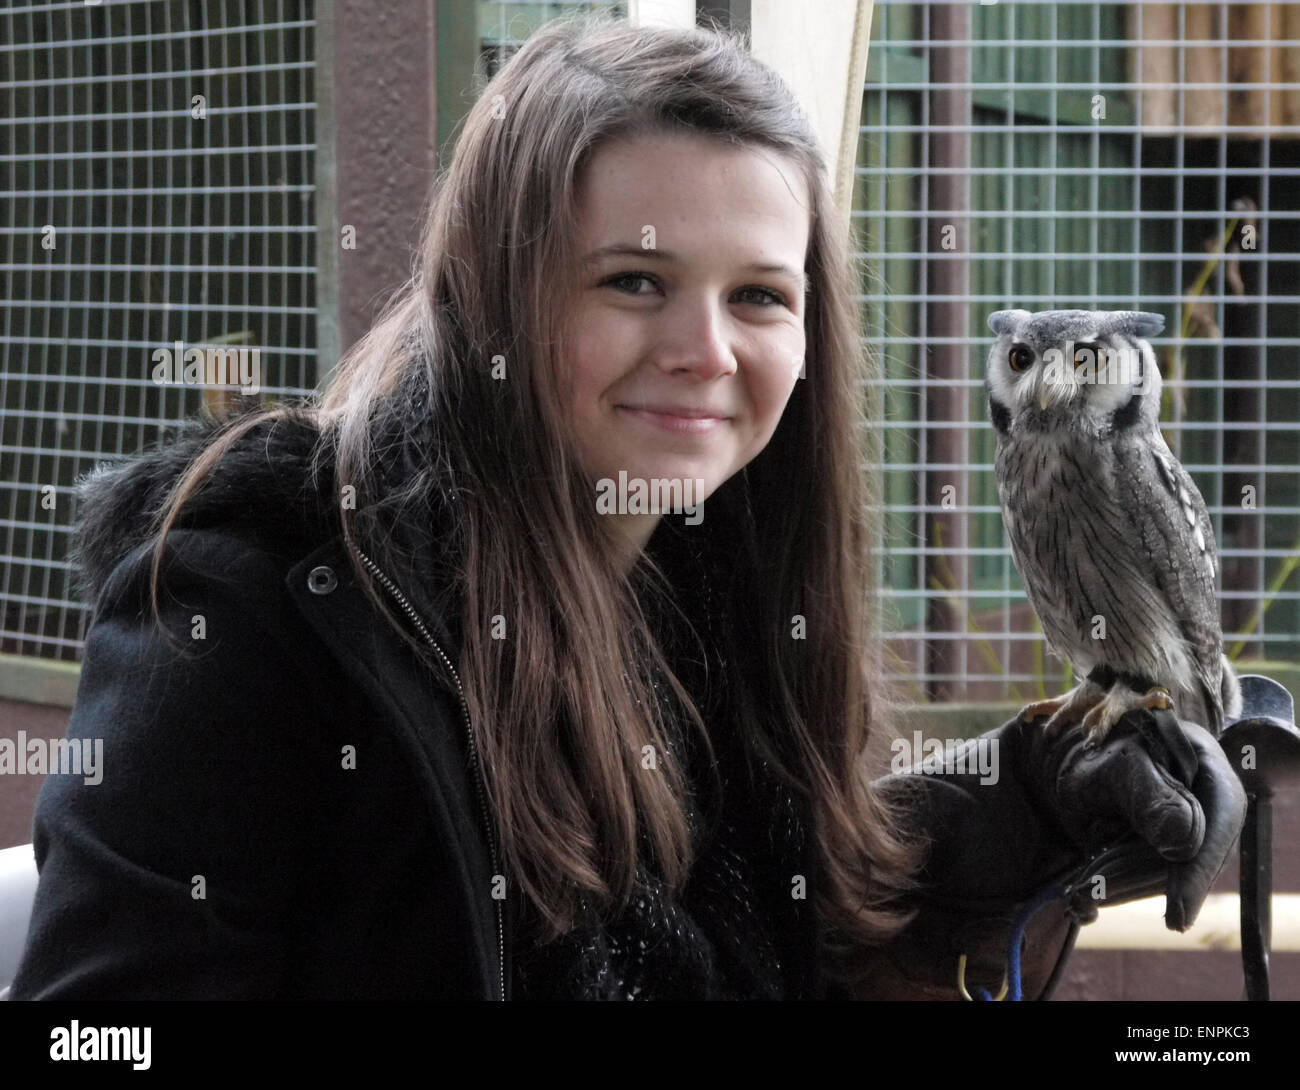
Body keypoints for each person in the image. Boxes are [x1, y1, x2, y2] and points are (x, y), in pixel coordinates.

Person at [11, 15, 1244, 1002]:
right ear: (494, 295)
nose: (703, 348)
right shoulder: (251, 612)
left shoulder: (717, 598)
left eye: (760, 295)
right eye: (635, 279)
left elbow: (759, 943)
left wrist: (1019, 801)